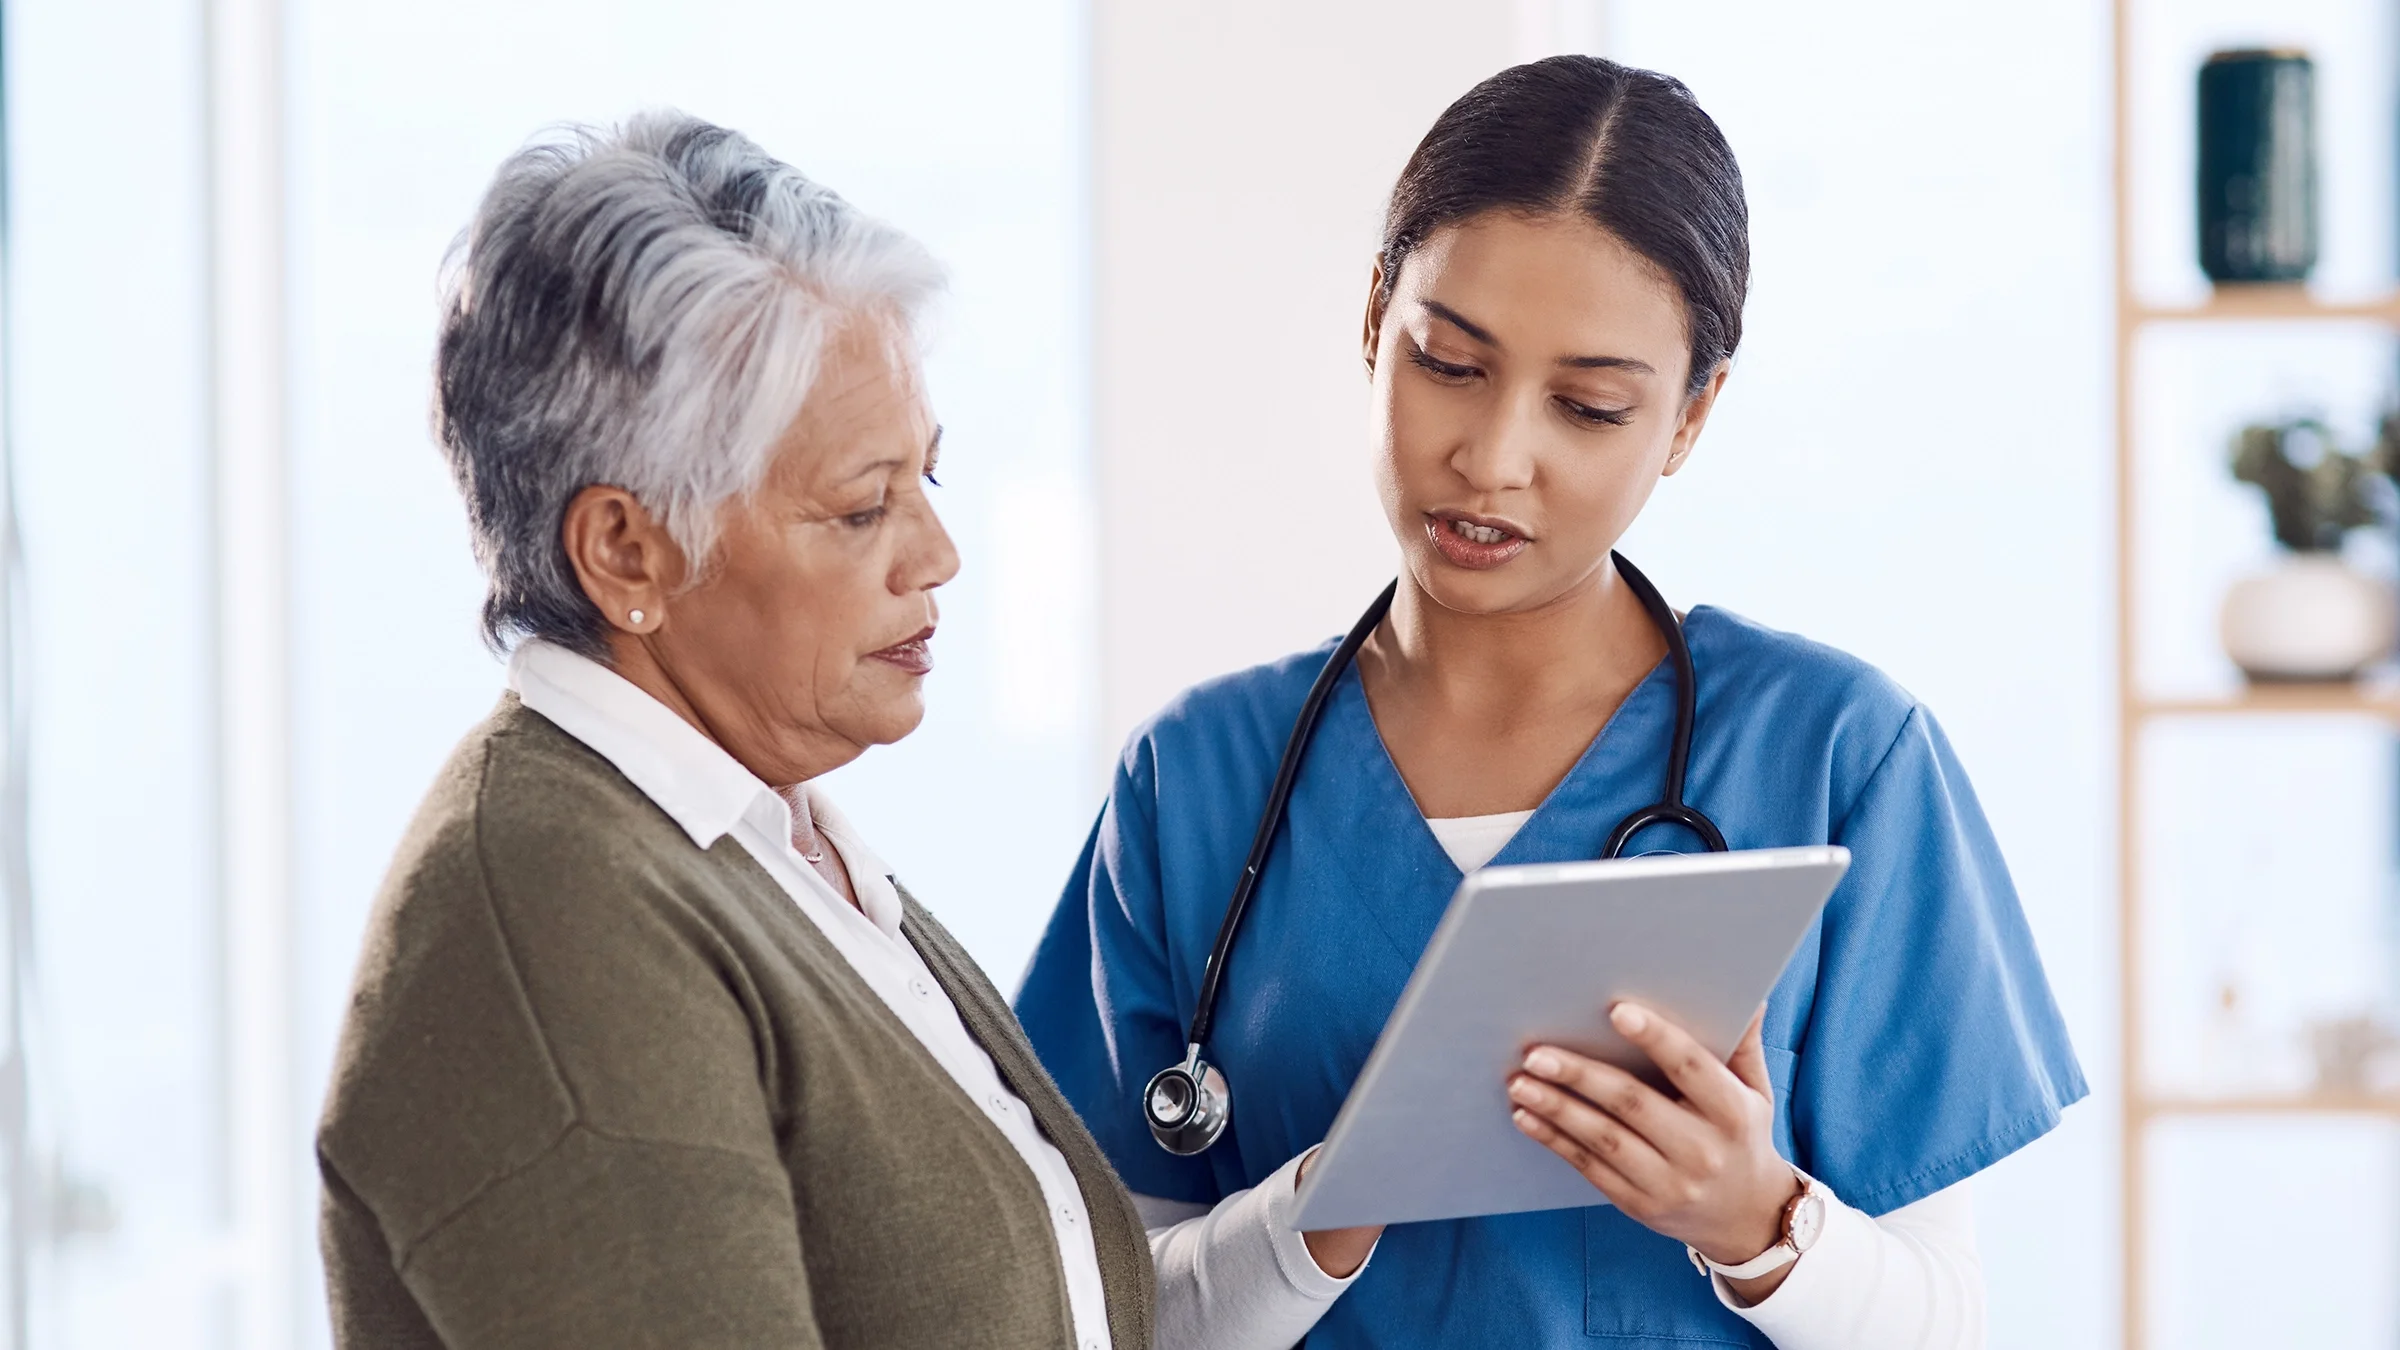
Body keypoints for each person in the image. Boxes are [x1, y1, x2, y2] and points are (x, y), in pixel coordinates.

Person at [1013, 55, 2086, 1350]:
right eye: (1450, 363)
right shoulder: (1197, 778)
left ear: (1690, 418)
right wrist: (1321, 1209)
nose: (1494, 455)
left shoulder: (1839, 754)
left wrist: (1754, 1218)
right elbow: (1102, 1314)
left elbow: (1949, 1323)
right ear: (1374, 320)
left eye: (1588, 405)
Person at [313, 113, 1158, 1350]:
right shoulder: (557, 910)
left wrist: (1322, 1221)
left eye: (928, 478)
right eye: (864, 507)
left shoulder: (767, 844)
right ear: (625, 549)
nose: (937, 554)